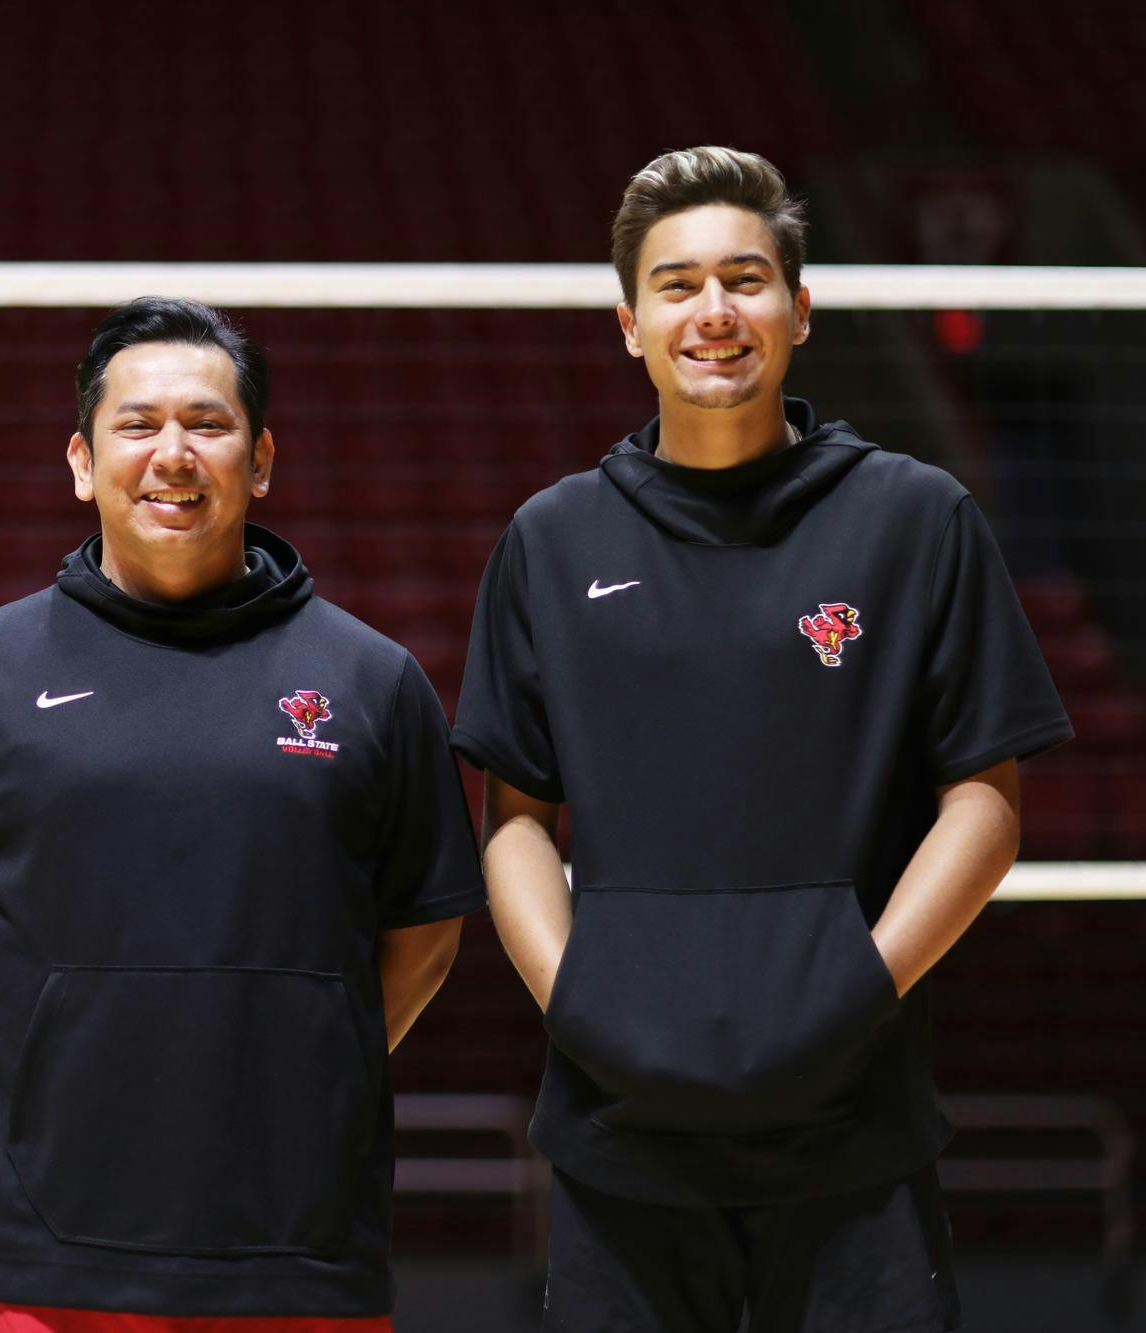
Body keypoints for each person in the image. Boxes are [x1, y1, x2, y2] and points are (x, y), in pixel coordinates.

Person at [455, 146, 1074, 1333]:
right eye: (677, 284)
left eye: (743, 279)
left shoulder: (913, 517)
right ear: (628, 323)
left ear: (798, 308)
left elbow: (983, 801)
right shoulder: (550, 537)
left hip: (852, 1127)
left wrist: (857, 985)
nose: (713, 311)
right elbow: (515, 815)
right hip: (618, 1134)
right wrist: (575, 995)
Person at [0, 297, 483, 1331]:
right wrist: (21, 1067)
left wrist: (311, 1060)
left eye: (208, 424)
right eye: (137, 426)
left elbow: (421, 932)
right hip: (45, 1251)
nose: (173, 454)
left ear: (262, 456)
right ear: (79, 459)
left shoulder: (373, 679)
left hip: (297, 1244)